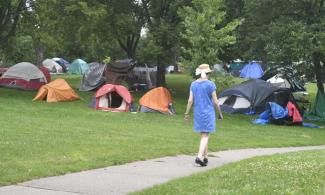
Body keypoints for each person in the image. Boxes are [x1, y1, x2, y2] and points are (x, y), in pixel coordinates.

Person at [184, 64, 223, 166]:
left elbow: (190, 100)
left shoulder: (193, 84)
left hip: (198, 113)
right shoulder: (210, 84)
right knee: (205, 135)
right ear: (208, 73)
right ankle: (199, 156)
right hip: (208, 113)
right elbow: (215, 101)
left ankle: (206, 157)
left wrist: (187, 113)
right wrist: (220, 113)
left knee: (204, 134)